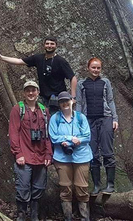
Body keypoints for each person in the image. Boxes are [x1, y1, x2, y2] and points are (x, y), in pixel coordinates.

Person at [0, 37, 77, 114]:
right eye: (47, 43)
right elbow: (19, 61)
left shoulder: (61, 61)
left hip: (58, 98)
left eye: (52, 44)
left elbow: (73, 78)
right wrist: (2, 57)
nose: (49, 46)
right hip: (43, 97)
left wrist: (73, 97)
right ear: (44, 45)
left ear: (56, 46)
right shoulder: (38, 58)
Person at [9, 80, 52, 221]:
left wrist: (48, 154)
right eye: (28, 90)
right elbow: (14, 132)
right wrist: (18, 153)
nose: (31, 93)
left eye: (33, 90)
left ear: (38, 92)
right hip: (24, 156)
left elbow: (47, 135)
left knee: (39, 188)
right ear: (24, 93)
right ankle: (21, 215)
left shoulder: (44, 111)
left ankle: (34, 216)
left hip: (40, 157)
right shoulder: (18, 109)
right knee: (23, 187)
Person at [76, 58, 118, 196]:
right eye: (93, 67)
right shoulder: (82, 83)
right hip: (88, 120)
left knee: (107, 151)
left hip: (105, 118)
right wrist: (79, 122)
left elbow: (110, 100)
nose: (95, 70)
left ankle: (110, 185)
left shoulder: (105, 82)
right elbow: (79, 103)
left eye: (98, 68)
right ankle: (97, 186)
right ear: (88, 68)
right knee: (93, 153)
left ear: (101, 69)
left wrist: (115, 119)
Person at [49, 91, 92, 221]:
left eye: (67, 101)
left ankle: (85, 218)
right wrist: (68, 138)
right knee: (65, 189)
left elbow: (87, 136)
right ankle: (68, 218)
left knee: (82, 188)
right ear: (59, 104)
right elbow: (53, 136)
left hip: (81, 156)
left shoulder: (80, 118)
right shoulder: (55, 119)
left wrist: (78, 140)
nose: (65, 104)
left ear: (72, 101)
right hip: (62, 158)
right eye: (62, 102)